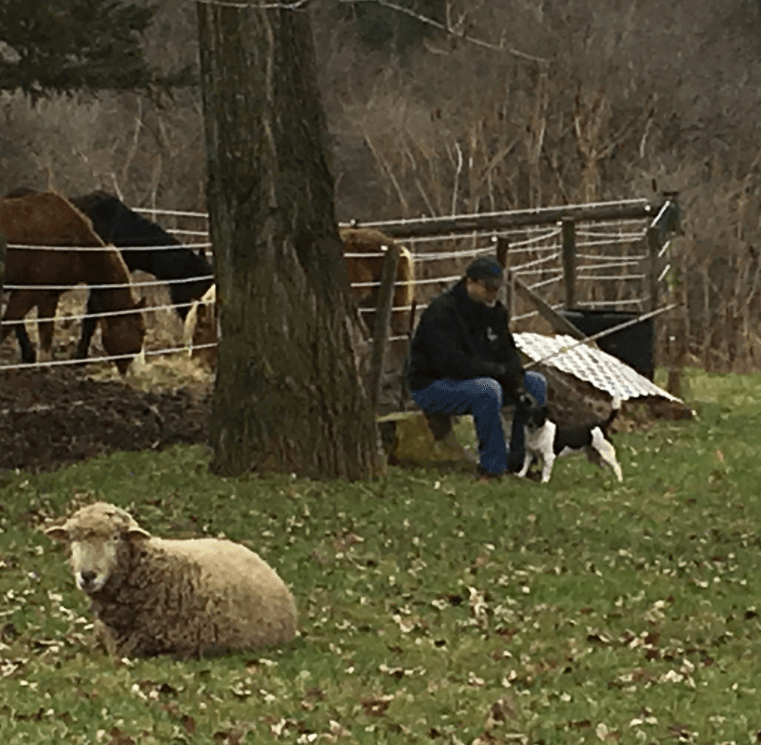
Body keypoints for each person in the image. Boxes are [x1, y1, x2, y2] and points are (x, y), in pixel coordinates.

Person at [406, 255, 547, 481]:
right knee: (487, 390)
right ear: (470, 282)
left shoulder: (496, 313)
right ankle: (491, 467)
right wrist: (499, 372)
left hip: (483, 377)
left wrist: (515, 376)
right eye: (488, 288)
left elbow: (507, 350)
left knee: (535, 383)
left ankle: (519, 462)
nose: (493, 294)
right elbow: (452, 363)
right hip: (434, 384)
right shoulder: (442, 312)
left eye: (497, 289)